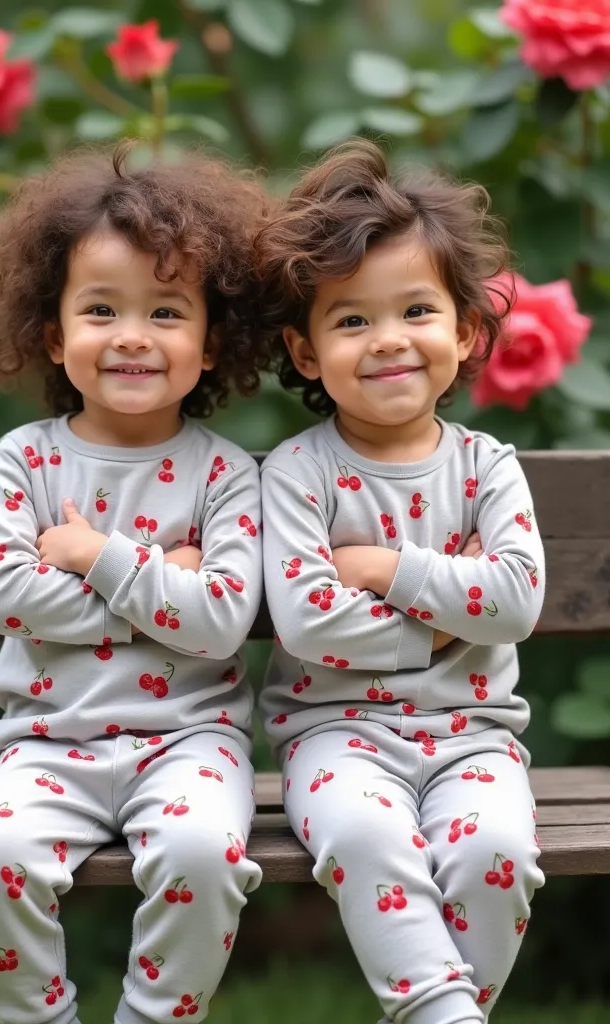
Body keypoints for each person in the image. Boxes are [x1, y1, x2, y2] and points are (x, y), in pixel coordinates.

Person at [0, 144, 268, 1024]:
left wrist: (91, 554)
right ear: (54, 335)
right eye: (101, 309)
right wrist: (165, 578)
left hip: (193, 743)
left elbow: (219, 624)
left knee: (206, 858)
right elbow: (11, 598)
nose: (132, 334)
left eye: (167, 311)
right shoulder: (28, 459)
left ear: (211, 343)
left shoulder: (226, 474)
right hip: (48, 744)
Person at [256, 139, 545, 1023]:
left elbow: (518, 600)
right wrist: (448, 623)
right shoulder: (297, 476)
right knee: (368, 837)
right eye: (350, 321)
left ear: (462, 331)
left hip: (475, 736)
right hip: (334, 735)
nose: (387, 340)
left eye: (416, 310)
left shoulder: (487, 468)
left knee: (498, 853)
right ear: (305, 353)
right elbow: (310, 623)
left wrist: (384, 568)